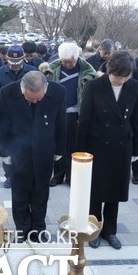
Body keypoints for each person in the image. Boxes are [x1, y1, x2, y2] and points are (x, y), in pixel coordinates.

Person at [76, 50, 138, 250]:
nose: (121, 80)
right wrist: (80, 153)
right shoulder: (94, 86)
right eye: (117, 76)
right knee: (95, 192)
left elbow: (137, 118)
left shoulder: (134, 86)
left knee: (115, 192)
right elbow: (84, 120)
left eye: (125, 77)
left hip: (122, 146)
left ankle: (110, 231)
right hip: (97, 146)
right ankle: (93, 229)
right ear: (109, 70)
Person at [0, 71, 67, 243]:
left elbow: (61, 122)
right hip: (18, 151)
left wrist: (59, 150)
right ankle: (22, 229)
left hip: (44, 150)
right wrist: (4, 152)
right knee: (20, 193)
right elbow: (3, 122)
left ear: (46, 88)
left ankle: (38, 228)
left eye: (39, 98)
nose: (35, 101)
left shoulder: (58, 91)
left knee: (41, 192)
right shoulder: (7, 92)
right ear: (23, 90)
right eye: (31, 99)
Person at [41, 42, 96, 187]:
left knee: (74, 146)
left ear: (76, 58)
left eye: (70, 62)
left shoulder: (87, 71)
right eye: (65, 62)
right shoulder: (51, 70)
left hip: (77, 114)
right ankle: (57, 176)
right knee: (59, 145)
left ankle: (72, 177)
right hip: (57, 113)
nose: (67, 64)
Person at [0, 45, 36, 188]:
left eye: (18, 62)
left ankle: (25, 174)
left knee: (25, 147)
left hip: (27, 116)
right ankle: (9, 176)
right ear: (7, 59)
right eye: (12, 61)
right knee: (7, 147)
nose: (15, 65)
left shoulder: (32, 72)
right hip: (6, 117)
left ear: (23, 59)